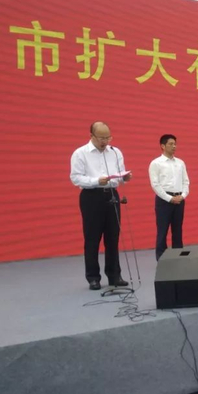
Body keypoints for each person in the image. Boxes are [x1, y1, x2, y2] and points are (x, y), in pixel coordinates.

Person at [70, 122, 131, 290]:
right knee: (92, 237)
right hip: (91, 196)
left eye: (108, 138)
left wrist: (124, 178)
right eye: (101, 138)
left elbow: (119, 174)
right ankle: (93, 277)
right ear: (91, 136)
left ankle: (114, 275)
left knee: (113, 237)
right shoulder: (81, 153)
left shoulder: (115, 152)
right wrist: (96, 181)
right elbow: (76, 178)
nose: (105, 142)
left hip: (112, 194)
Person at [149, 134, 190, 261]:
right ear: (163, 146)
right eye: (170, 144)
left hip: (179, 199)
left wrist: (183, 196)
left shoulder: (180, 163)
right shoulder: (156, 163)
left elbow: (186, 181)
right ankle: (161, 259)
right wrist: (169, 198)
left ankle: (178, 257)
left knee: (177, 230)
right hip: (164, 200)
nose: (174, 146)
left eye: (175, 144)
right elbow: (155, 184)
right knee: (162, 230)